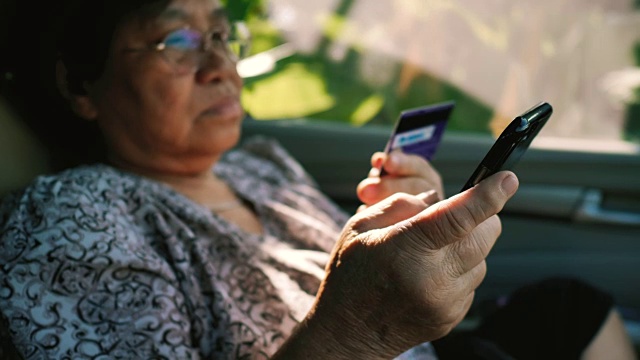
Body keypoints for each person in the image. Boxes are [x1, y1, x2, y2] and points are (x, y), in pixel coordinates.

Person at [0, 0, 635, 359]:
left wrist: (405, 225)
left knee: (565, 306)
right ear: (80, 85)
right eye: (177, 40)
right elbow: (353, 309)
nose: (219, 63)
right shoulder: (69, 220)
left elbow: (353, 272)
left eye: (222, 34)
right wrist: (358, 329)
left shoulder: (262, 164)